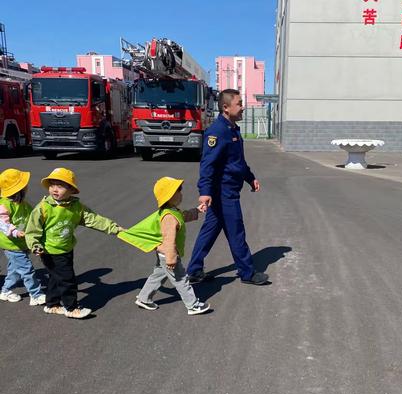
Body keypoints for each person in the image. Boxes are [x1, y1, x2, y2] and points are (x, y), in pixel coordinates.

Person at [187, 89, 269, 286]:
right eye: (239, 104)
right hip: (224, 192)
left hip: (228, 190)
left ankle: (194, 270)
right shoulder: (217, 131)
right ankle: (247, 272)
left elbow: (237, 162)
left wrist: (250, 178)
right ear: (226, 107)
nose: (243, 108)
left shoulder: (233, 129)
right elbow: (208, 164)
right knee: (236, 231)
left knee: (210, 231)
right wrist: (204, 192)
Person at [25, 167, 123, 319]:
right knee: (67, 279)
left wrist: (114, 228)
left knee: (55, 277)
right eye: (52, 185)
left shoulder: (76, 207)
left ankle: (52, 305)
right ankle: (71, 308)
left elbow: (94, 219)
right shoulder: (43, 208)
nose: (54, 189)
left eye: (60, 186)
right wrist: (35, 245)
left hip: (66, 248)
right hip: (49, 251)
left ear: (71, 189)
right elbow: (32, 230)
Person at [118, 176, 211, 315]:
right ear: (170, 196)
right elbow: (169, 240)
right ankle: (192, 305)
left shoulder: (173, 211)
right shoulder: (169, 217)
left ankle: (144, 298)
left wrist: (197, 210)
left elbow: (183, 216)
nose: (181, 193)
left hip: (165, 253)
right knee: (181, 279)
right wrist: (171, 259)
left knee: (158, 275)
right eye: (178, 190)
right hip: (168, 253)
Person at [0, 168, 45, 305]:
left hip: (22, 242)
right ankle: (36, 294)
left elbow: (33, 216)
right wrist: (14, 232)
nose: (26, 187)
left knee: (15, 269)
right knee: (27, 269)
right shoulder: (4, 205)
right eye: (23, 184)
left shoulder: (23, 204)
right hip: (11, 244)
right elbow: (2, 223)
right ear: (17, 189)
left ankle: (5, 291)